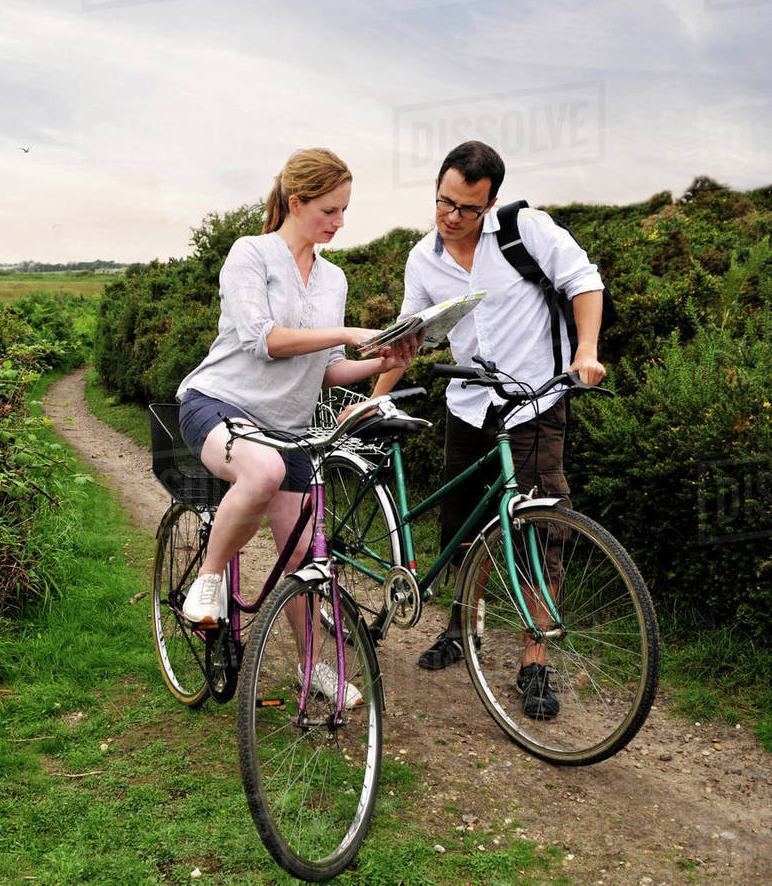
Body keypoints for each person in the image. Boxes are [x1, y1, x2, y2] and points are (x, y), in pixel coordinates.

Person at [371, 139, 606, 720]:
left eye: (466, 209)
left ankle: (535, 662)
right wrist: (370, 404)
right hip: (468, 407)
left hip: (533, 406)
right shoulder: (423, 260)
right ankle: (461, 628)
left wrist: (587, 352)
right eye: (444, 202)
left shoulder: (526, 231)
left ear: (490, 201)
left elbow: (585, 282)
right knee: (463, 524)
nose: (452, 217)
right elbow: (409, 340)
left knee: (539, 535)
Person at [176, 147, 419, 705]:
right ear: (296, 202)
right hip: (217, 403)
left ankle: (315, 669)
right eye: (330, 211)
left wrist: (386, 358)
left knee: (306, 557)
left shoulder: (333, 280)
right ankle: (207, 583)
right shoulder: (251, 254)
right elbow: (262, 340)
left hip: (287, 428)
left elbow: (325, 369)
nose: (339, 223)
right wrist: (346, 333)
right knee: (258, 474)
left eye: (344, 211)